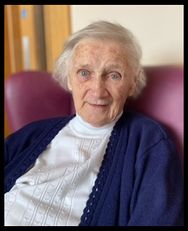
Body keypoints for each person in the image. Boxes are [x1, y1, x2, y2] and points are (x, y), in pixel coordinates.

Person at [4, 21, 183, 226]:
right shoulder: (35, 133)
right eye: (84, 73)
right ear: (69, 78)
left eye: (114, 75)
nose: (97, 90)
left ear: (132, 83)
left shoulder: (149, 141)